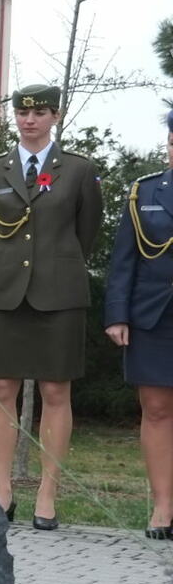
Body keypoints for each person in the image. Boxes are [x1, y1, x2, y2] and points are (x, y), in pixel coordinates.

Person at [0, 83, 102, 530]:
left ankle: (48, 492)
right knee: (3, 388)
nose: (29, 120)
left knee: (55, 391)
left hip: (59, 292)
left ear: (55, 116)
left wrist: (56, 267)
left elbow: (85, 233)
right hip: (4, 290)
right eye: (22, 113)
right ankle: (2, 489)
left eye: (40, 112)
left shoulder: (78, 170)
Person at [105, 111, 173, 540]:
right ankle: (164, 504)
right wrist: (117, 313)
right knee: (157, 409)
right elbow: (124, 258)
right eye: (172, 139)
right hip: (154, 315)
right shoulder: (143, 192)